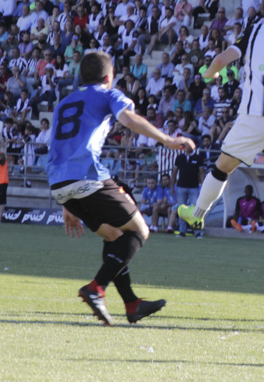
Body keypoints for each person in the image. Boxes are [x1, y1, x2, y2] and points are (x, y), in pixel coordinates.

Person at [49, 51, 194, 326]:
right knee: (139, 230)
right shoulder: (107, 93)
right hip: (87, 176)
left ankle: (132, 304)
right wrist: (167, 139)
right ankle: (97, 287)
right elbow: (127, 119)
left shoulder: (64, 102)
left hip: (59, 182)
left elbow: (57, 147)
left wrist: (66, 202)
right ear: (108, 77)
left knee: (116, 236)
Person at [177, 0, 264, 262]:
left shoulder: (255, 30)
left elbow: (221, 59)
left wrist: (210, 74)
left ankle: (196, 216)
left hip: (255, 114)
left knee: (222, 167)